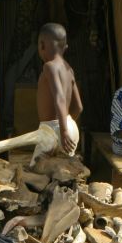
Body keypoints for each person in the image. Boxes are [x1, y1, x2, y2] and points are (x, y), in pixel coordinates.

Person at [37, 22, 83, 157]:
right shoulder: (69, 70)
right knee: (63, 172)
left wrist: (62, 131)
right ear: (65, 47)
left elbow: (60, 97)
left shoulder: (49, 67)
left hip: (53, 130)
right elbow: (79, 107)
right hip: (71, 126)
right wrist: (67, 124)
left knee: (37, 171)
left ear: (42, 45)